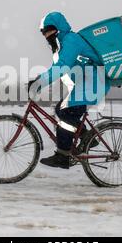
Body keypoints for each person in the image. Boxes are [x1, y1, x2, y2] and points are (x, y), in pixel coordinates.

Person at [28, 12, 111, 169]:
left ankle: (62, 156)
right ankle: (88, 137)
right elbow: (57, 68)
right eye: (43, 32)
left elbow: (62, 66)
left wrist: (40, 82)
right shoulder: (64, 43)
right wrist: (40, 79)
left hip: (93, 83)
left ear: (58, 28)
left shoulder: (71, 40)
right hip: (87, 84)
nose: (46, 35)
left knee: (66, 113)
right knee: (61, 109)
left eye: (48, 30)